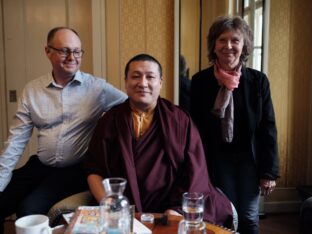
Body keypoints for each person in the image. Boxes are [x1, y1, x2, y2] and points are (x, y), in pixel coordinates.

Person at [0, 26, 127, 233]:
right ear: (48, 51)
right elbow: (15, 142)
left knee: (28, 210)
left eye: (77, 51)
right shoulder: (32, 90)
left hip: (74, 170)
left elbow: (132, 105)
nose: (72, 57)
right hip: (40, 165)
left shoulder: (97, 88)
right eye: (64, 51)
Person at [84, 53, 234, 227]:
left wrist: (176, 210)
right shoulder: (109, 120)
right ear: (125, 82)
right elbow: (93, 169)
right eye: (135, 76)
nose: (143, 83)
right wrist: (110, 205)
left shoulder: (179, 120)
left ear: (160, 82)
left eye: (150, 77)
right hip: (121, 211)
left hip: (169, 209)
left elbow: (195, 171)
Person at [190, 16, 279, 234]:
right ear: (214, 45)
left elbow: (268, 127)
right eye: (222, 40)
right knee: (227, 215)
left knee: (249, 217)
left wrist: (269, 171)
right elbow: (193, 128)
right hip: (217, 160)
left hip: (250, 159)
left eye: (235, 40)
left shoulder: (258, 81)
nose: (228, 46)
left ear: (244, 45)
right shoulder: (200, 81)